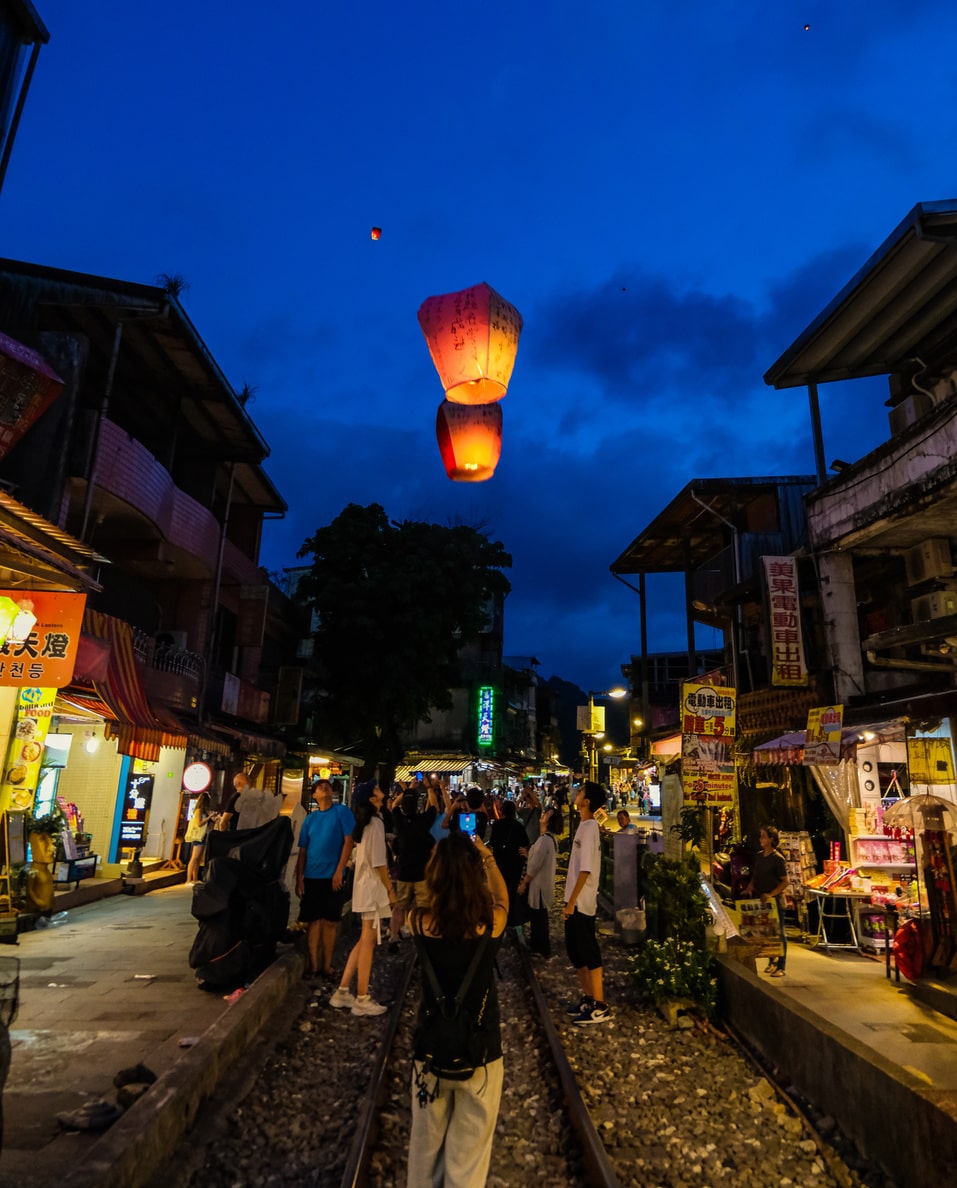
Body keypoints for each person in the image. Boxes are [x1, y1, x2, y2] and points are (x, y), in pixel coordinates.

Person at [406, 831, 508, 1187]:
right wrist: (488, 858)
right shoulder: (490, 923)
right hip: (480, 1054)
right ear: (473, 875)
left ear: (434, 875)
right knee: (468, 1165)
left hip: (429, 1053)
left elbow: (425, 895)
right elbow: (502, 899)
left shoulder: (418, 922)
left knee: (423, 1154)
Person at [329, 779, 396, 1016]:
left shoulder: (368, 824)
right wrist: (390, 890)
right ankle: (362, 998)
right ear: (372, 799)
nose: (382, 790)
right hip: (372, 889)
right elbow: (379, 863)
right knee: (368, 940)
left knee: (364, 940)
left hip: (364, 887)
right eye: (377, 789)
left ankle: (343, 990)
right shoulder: (375, 824)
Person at [296, 779, 355, 979]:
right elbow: (302, 851)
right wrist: (299, 878)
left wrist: (339, 871)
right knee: (314, 921)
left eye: (327, 785)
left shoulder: (342, 812)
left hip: (333, 876)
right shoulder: (310, 820)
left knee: (330, 921)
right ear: (314, 795)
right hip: (312, 876)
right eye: (319, 787)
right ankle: (314, 964)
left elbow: (349, 842)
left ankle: (327, 964)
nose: (324, 787)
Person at [563, 780, 611, 1024]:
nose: (576, 793)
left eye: (580, 791)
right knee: (575, 951)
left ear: (587, 801)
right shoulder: (583, 825)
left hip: (581, 902)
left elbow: (586, 870)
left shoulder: (591, 827)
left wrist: (571, 902)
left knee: (588, 951)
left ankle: (600, 1005)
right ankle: (589, 998)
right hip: (573, 900)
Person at [744, 824, 789, 978]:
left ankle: (781, 966)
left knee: (780, 934)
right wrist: (750, 888)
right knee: (766, 933)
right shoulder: (758, 856)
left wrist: (771, 894)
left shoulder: (777, 859)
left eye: (763, 836)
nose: (760, 839)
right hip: (762, 902)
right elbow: (755, 877)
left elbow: (785, 882)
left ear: (771, 839)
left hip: (775, 902)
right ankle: (772, 961)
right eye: (760, 836)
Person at [520, 806, 562, 956]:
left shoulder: (544, 840)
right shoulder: (548, 838)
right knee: (539, 917)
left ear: (549, 821)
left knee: (539, 919)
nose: (543, 814)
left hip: (539, 886)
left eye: (547, 814)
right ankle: (539, 946)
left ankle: (542, 948)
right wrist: (528, 854)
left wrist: (524, 883)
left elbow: (535, 866)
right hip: (543, 884)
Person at [489, 799, 529, 936]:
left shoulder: (497, 825)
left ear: (502, 811)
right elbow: (525, 843)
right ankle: (512, 918)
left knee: (501, 891)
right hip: (515, 864)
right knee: (512, 892)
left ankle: (502, 917)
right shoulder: (519, 826)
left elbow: (493, 842)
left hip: (501, 863)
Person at [184, 792, 215, 883]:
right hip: (198, 836)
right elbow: (199, 823)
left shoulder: (204, 811)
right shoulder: (198, 810)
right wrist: (209, 817)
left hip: (203, 836)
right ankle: (188, 880)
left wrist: (213, 818)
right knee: (194, 858)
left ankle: (194, 879)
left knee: (198, 859)